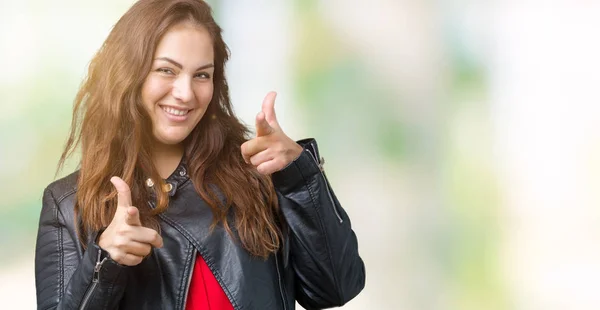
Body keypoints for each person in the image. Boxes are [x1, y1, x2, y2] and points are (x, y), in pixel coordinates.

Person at [34, 0, 365, 309]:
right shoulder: (68, 204)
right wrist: (104, 262)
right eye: (166, 70)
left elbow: (336, 288)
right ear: (127, 74)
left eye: (202, 75)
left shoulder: (254, 174)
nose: (185, 93)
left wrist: (299, 175)